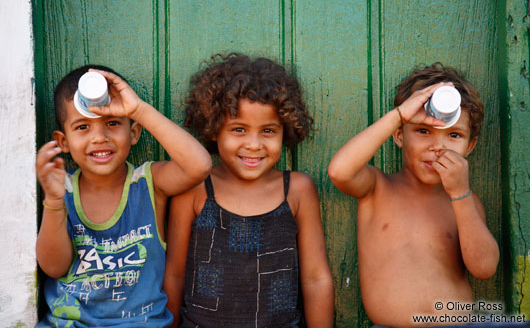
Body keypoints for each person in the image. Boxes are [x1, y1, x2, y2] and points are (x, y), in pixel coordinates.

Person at [163, 53, 334, 328]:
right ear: (214, 129)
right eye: (239, 129)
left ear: (285, 131)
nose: (254, 145)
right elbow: (173, 274)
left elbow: (316, 278)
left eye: (268, 131)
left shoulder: (297, 191)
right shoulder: (195, 190)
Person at [36, 65, 212, 327]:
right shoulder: (60, 187)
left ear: (134, 132)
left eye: (113, 123)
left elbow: (198, 166)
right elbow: (54, 268)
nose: (99, 137)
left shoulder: (149, 184)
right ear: (63, 142)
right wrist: (53, 201)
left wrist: (137, 109)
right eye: (83, 126)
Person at [328, 63, 499, 327]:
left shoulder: (466, 201)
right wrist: (399, 115)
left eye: (454, 135)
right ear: (399, 136)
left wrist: (460, 194)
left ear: (470, 145)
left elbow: (485, 268)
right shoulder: (377, 187)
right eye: (422, 130)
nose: (437, 147)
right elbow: (340, 172)